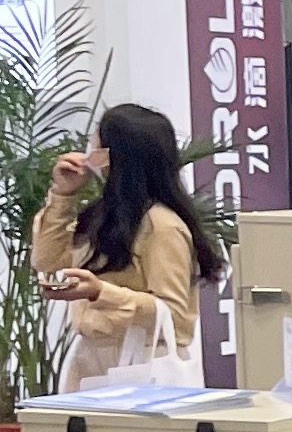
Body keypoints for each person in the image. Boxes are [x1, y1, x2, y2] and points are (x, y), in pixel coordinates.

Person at [32, 101, 219, 389]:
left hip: (144, 364)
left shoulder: (162, 226)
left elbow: (175, 317)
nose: (89, 151)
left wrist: (101, 292)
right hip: (90, 361)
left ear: (113, 155)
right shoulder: (103, 215)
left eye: (97, 142)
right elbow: (47, 261)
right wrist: (63, 196)